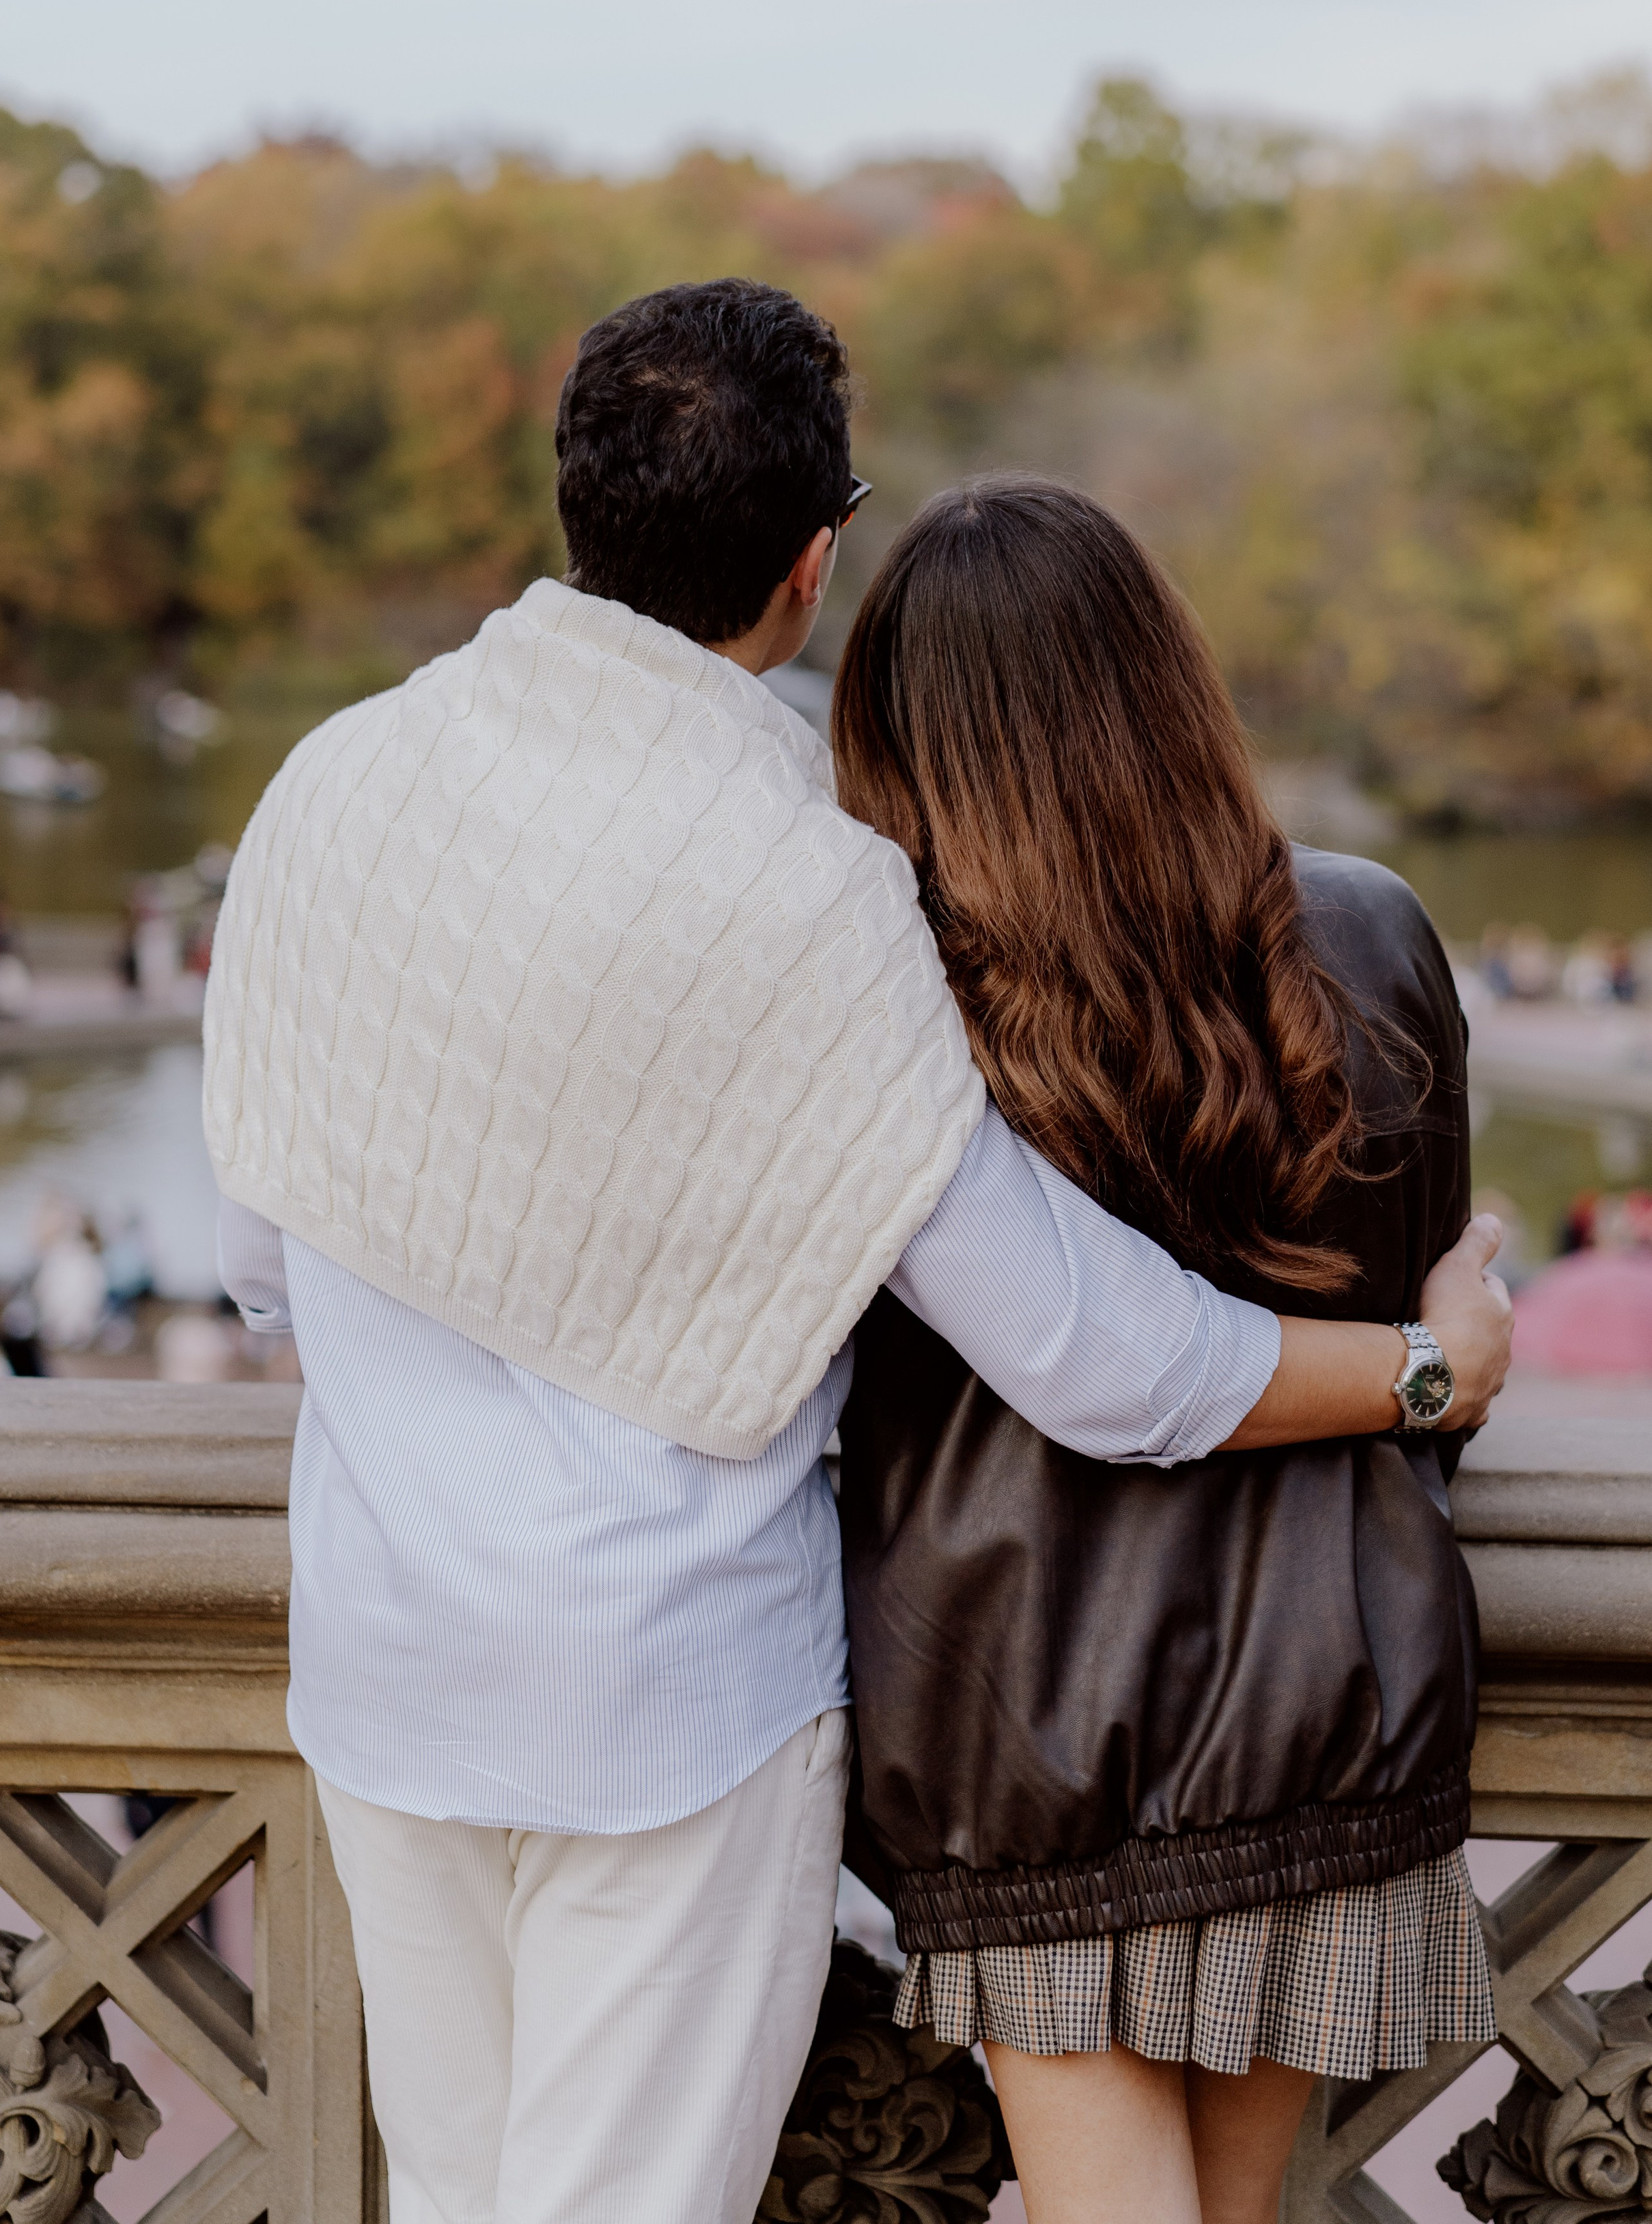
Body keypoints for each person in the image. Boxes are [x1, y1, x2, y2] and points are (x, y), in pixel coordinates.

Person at [201, 283, 1510, 2224]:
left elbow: (263, 1261)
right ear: (815, 562)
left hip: (390, 1654)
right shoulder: (812, 897)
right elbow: (1099, 1357)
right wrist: (1430, 1365)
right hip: (670, 1694)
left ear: (577, 500)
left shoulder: (332, 784)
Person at [832, 477, 1505, 2224]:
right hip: (1329, 1702)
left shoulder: (900, 990)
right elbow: (1415, 1312)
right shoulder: (1364, 934)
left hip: (1026, 1735)